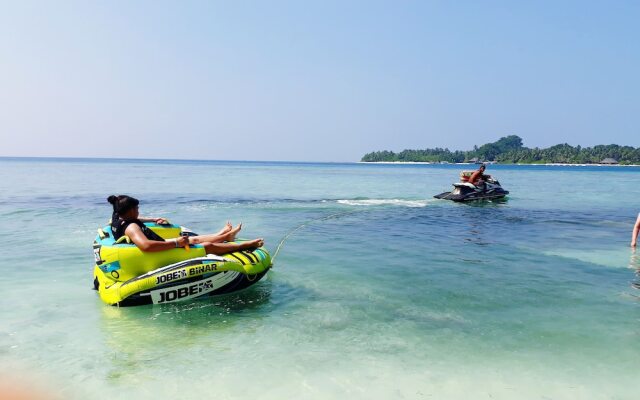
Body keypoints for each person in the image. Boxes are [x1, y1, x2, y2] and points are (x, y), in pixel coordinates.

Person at [107, 195, 263, 255]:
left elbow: (136, 220)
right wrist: (176, 242)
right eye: (137, 209)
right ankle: (243, 246)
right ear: (130, 210)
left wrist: (153, 220)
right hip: (159, 251)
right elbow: (146, 246)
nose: (139, 211)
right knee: (206, 246)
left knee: (192, 239)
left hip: (159, 244)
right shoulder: (132, 228)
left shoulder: (117, 217)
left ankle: (225, 236)